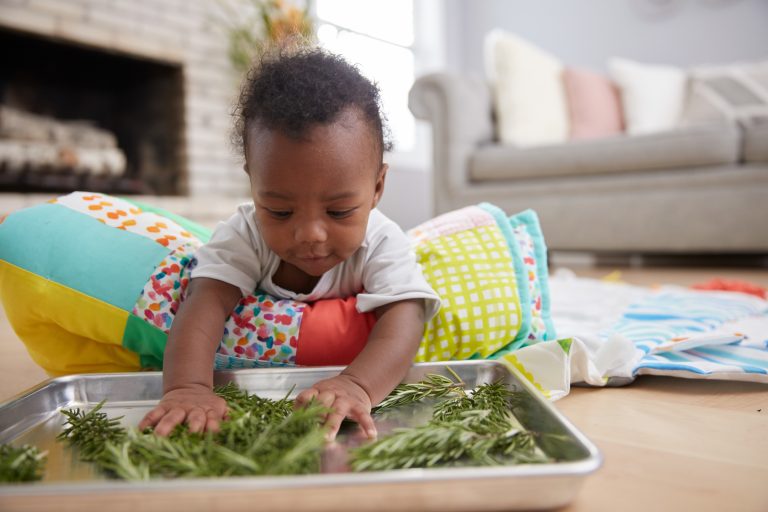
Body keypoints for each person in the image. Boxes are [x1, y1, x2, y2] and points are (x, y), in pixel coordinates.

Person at [138, 46, 441, 441]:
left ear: (377, 188)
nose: (310, 233)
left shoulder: (382, 239)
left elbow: (406, 317)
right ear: (254, 184)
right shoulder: (244, 233)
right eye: (280, 212)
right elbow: (205, 303)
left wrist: (358, 385)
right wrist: (188, 389)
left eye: (339, 211)